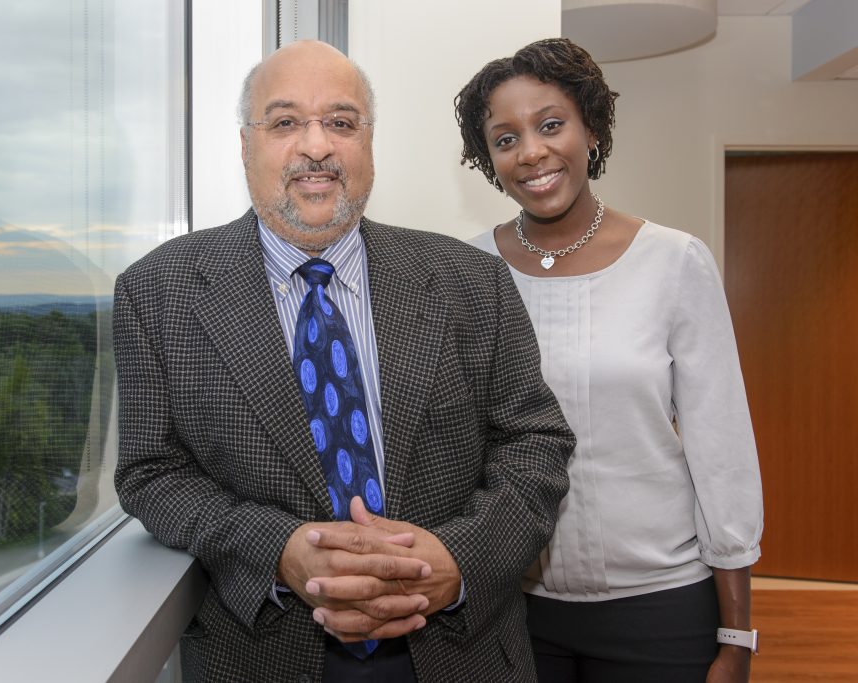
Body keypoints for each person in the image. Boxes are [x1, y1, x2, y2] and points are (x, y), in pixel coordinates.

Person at [113, 40, 575, 682]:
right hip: (261, 653)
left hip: (458, 649)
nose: (316, 147)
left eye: (341, 122)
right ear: (245, 145)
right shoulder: (156, 292)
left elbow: (536, 444)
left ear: (368, 144)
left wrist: (453, 562)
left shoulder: (473, 280)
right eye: (284, 123)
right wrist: (277, 551)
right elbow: (150, 471)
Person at [456, 38, 764, 682]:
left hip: (660, 606)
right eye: (505, 138)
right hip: (513, 610)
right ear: (489, 159)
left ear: (591, 129)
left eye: (550, 125)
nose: (531, 152)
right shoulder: (466, 271)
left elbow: (722, 450)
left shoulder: (674, 262)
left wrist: (736, 637)